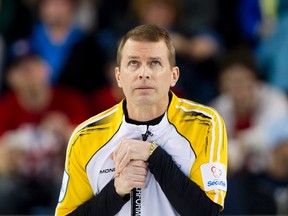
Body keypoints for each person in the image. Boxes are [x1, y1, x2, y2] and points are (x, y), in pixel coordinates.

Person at [55, 24, 228, 216]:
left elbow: (207, 212)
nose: (143, 73)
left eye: (155, 62)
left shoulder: (203, 123)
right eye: (133, 63)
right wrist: (116, 191)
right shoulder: (86, 136)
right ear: (118, 77)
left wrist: (154, 155)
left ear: (174, 76)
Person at [0, 53, 90, 214]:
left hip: (58, 175)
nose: (29, 74)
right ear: (10, 78)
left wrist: (65, 131)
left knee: (71, 183)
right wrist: (5, 160)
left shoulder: (70, 99)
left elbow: (89, 149)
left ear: (46, 69)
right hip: (20, 178)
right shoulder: (5, 107)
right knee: (4, 187)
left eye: (33, 66)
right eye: (21, 70)